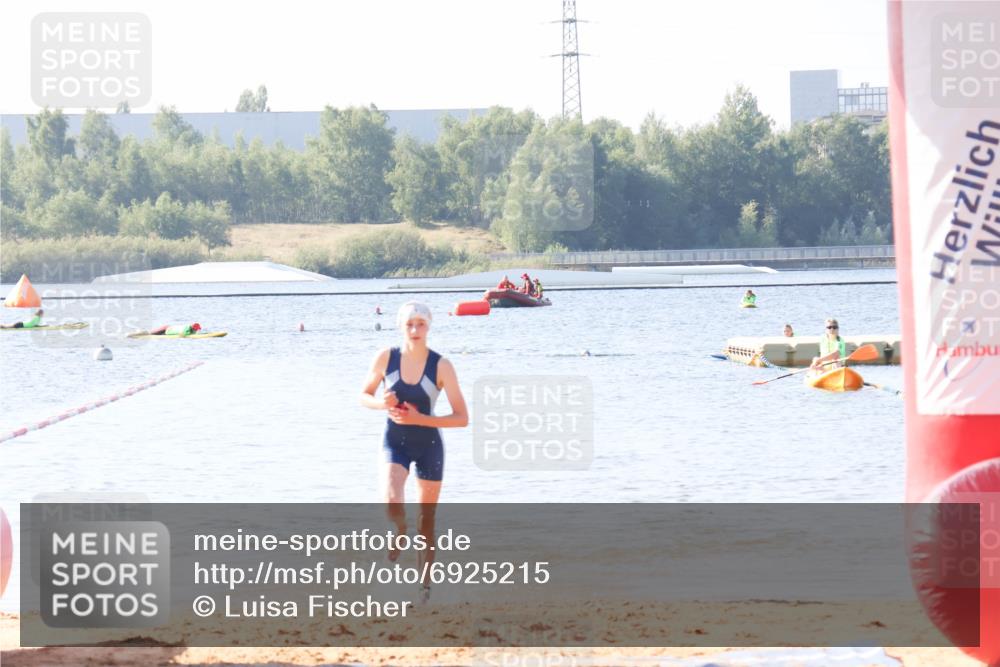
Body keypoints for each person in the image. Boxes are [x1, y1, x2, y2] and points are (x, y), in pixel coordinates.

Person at [360, 301, 469, 602]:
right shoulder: (386, 357)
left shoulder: (441, 365)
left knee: (427, 522)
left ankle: (424, 589)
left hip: (429, 446)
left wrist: (421, 418)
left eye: (420, 324)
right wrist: (383, 404)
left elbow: (462, 417)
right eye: (409, 324)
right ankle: (397, 532)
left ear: (429, 327)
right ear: (400, 327)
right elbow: (363, 394)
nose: (415, 330)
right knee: (392, 497)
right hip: (394, 441)